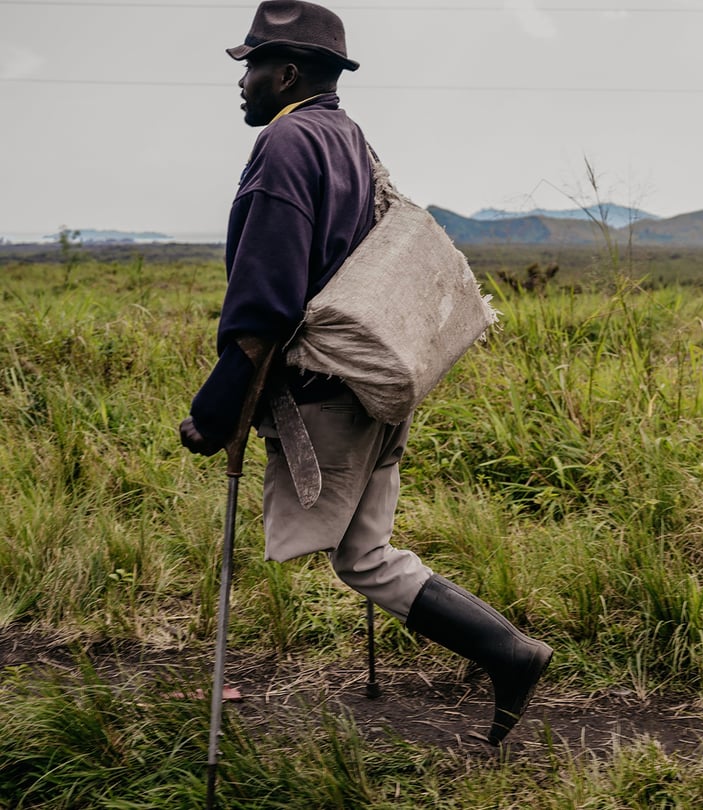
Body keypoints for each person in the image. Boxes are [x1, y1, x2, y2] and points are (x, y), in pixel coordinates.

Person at [179, 0, 551, 746]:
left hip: (323, 390)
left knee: (361, 559)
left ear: (286, 74)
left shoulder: (287, 146)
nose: (242, 82)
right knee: (367, 551)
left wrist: (215, 411)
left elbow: (266, 301)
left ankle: (510, 653)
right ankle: (509, 653)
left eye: (252, 66)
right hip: (375, 377)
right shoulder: (347, 135)